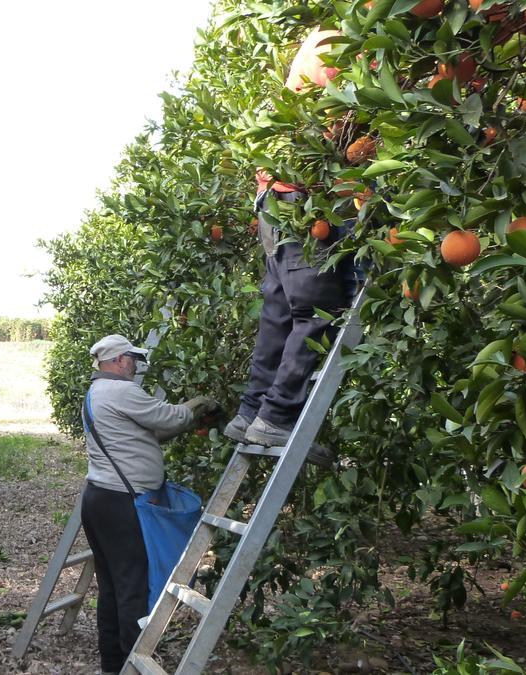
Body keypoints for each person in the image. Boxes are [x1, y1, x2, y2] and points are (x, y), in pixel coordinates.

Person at [221, 28, 359, 463]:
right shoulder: (342, 44)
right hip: (301, 199)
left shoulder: (326, 38)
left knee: (279, 311)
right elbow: (366, 103)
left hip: (278, 199)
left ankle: (250, 413)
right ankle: (276, 419)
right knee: (317, 310)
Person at [80, 334, 217, 675]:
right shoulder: (121, 391)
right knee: (133, 586)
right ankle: (132, 664)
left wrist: (183, 418)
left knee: (112, 586)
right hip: (121, 504)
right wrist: (196, 405)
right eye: (134, 360)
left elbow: (147, 433)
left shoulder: (97, 393)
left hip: (100, 499)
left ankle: (113, 664)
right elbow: (168, 418)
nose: (136, 366)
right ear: (121, 360)